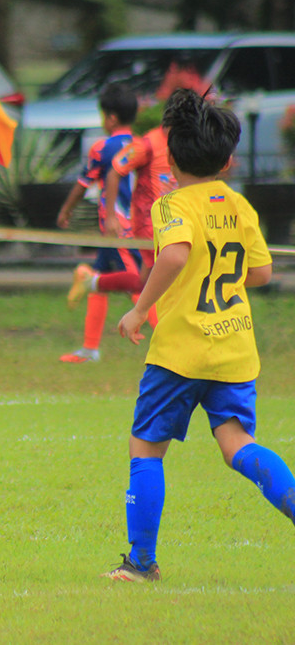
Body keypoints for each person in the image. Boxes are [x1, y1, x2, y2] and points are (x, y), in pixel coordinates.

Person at [104, 89, 295, 582]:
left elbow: (174, 254)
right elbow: (262, 272)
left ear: (171, 159)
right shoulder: (239, 205)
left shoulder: (170, 204)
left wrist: (139, 311)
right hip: (233, 347)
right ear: (227, 161)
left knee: (146, 447)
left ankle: (140, 563)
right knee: (237, 445)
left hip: (181, 351)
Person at [56, 82, 140, 363]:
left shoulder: (103, 147)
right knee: (100, 278)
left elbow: (83, 184)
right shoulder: (142, 145)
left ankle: (170, 340)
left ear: (111, 118)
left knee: (137, 284)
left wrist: (66, 210)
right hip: (136, 224)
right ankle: (90, 348)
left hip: (118, 226)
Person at [68, 119, 177, 316]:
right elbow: (109, 174)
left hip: (166, 221)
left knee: (141, 283)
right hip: (142, 225)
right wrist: (111, 216)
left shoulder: (181, 143)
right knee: (153, 284)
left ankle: (90, 281)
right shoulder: (145, 144)